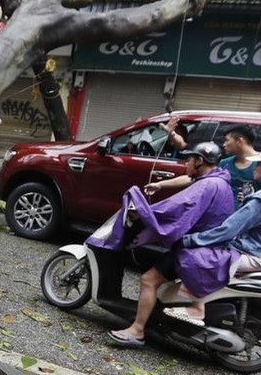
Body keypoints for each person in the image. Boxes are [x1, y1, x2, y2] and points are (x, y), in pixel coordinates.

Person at [93, 142, 234, 347]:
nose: (185, 163)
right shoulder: (222, 183)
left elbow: (176, 209)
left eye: (189, 159)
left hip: (194, 251)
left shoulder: (206, 185)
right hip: (207, 247)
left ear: (200, 161)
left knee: (148, 280)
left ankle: (137, 330)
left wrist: (144, 212)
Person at [165, 146, 261, 324]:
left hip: (255, 253)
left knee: (193, 256)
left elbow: (227, 230)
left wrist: (189, 240)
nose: (255, 167)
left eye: (259, 164)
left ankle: (197, 308)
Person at [144, 126, 260, 204]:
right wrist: (160, 184)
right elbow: (198, 179)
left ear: (239, 141)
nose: (223, 144)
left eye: (227, 140)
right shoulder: (225, 163)